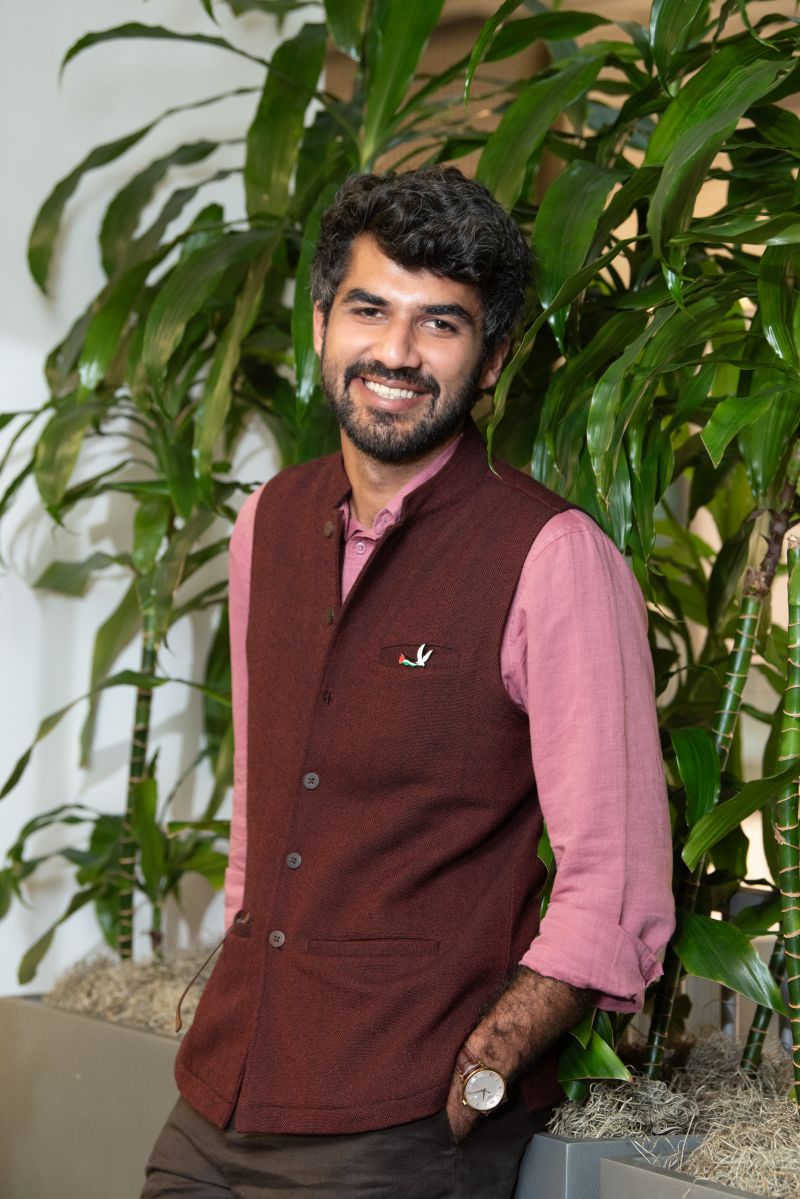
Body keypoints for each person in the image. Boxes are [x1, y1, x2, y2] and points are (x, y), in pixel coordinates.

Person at [142, 166, 674, 1199]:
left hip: (399, 1119)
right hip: (219, 1093)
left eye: (440, 324)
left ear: (490, 363)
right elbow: (265, 796)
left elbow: (616, 876)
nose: (394, 352)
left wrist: (491, 1053)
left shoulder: (551, 553)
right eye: (369, 309)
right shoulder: (270, 522)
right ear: (320, 324)